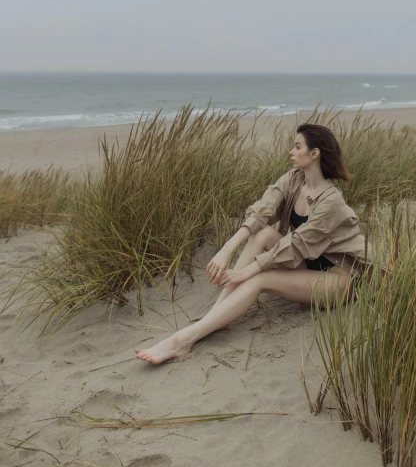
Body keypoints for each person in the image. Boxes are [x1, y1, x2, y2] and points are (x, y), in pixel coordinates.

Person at [136, 123, 373, 365]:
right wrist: (226, 250)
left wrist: (245, 273)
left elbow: (296, 245)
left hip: (337, 280)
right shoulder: (294, 179)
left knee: (258, 279)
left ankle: (182, 341)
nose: (291, 151)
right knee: (262, 234)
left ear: (314, 154)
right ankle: (217, 316)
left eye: (297, 146)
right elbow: (262, 211)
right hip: (309, 267)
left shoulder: (331, 200)